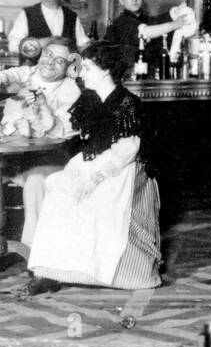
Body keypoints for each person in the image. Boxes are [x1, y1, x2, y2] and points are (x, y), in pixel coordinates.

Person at [26, 40, 161, 293]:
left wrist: (95, 177)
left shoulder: (127, 103)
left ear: (106, 70)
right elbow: (63, 129)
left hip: (121, 168)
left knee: (100, 202)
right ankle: (48, 271)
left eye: (86, 67)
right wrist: (44, 109)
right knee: (57, 191)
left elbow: (127, 148)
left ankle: (106, 272)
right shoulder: (87, 99)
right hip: (88, 162)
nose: (81, 73)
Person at [0, 38, 82, 255]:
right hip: (8, 160)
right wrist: (8, 83)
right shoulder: (27, 73)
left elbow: (64, 132)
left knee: (37, 183)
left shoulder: (71, 91)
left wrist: (41, 113)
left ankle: (33, 254)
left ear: (68, 66)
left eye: (59, 61)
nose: (50, 62)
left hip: (45, 160)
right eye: (47, 54)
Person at [104, 0, 195, 74]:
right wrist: (176, 24)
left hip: (150, 75)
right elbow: (145, 32)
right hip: (130, 77)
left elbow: (165, 18)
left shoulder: (147, 19)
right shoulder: (121, 22)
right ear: (121, 0)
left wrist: (191, 0)